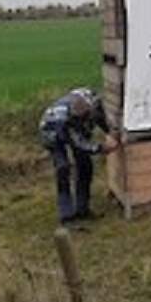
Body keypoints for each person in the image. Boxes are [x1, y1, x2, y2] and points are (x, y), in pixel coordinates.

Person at [39, 88, 118, 225]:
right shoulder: (65, 120)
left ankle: (83, 209)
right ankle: (67, 216)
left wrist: (110, 133)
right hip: (52, 133)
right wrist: (101, 148)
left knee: (85, 166)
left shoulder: (94, 101)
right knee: (63, 168)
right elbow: (79, 144)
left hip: (76, 126)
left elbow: (101, 118)